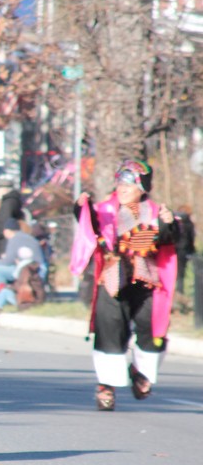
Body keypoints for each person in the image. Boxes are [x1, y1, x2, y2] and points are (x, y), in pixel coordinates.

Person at [71, 159, 179, 411]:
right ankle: (106, 385)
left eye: (128, 184)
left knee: (151, 329)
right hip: (113, 277)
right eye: (119, 182)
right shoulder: (104, 209)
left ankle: (140, 372)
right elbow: (90, 225)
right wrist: (80, 207)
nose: (122, 188)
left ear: (142, 187)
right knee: (111, 329)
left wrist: (168, 223)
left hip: (147, 278)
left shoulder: (155, 211)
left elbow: (168, 241)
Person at [0, 218, 46, 325]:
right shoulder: (27, 237)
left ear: (6, 231)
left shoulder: (15, 239)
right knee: (3, 280)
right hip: (34, 271)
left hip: (28, 272)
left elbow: (8, 261)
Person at [174, 205, 196, 295]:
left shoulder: (175, 221)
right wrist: (192, 250)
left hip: (174, 249)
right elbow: (191, 237)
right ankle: (180, 291)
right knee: (181, 273)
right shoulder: (189, 223)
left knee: (173, 271)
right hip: (184, 250)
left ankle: (174, 292)